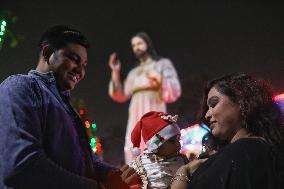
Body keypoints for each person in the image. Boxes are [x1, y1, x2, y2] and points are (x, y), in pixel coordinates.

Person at [0, 25, 140, 189]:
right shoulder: (20, 87)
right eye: (74, 59)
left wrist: (114, 174)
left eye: (84, 64)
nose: (80, 70)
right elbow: (21, 166)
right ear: (47, 53)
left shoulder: (68, 108)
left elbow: (85, 160)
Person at [170, 73, 284, 189]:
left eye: (214, 104)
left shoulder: (237, 154)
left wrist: (183, 171)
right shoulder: (270, 149)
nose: (207, 115)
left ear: (241, 102)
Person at [108, 32, 181, 163]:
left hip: (154, 105)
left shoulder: (162, 64)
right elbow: (120, 95)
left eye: (139, 43)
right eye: (134, 45)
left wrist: (159, 81)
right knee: (135, 140)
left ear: (147, 44)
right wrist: (115, 71)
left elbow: (174, 89)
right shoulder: (133, 73)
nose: (136, 47)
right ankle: (137, 172)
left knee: (157, 137)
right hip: (136, 109)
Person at [129, 111, 189, 189]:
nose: (178, 145)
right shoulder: (139, 165)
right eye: (172, 141)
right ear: (157, 145)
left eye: (178, 139)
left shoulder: (182, 161)